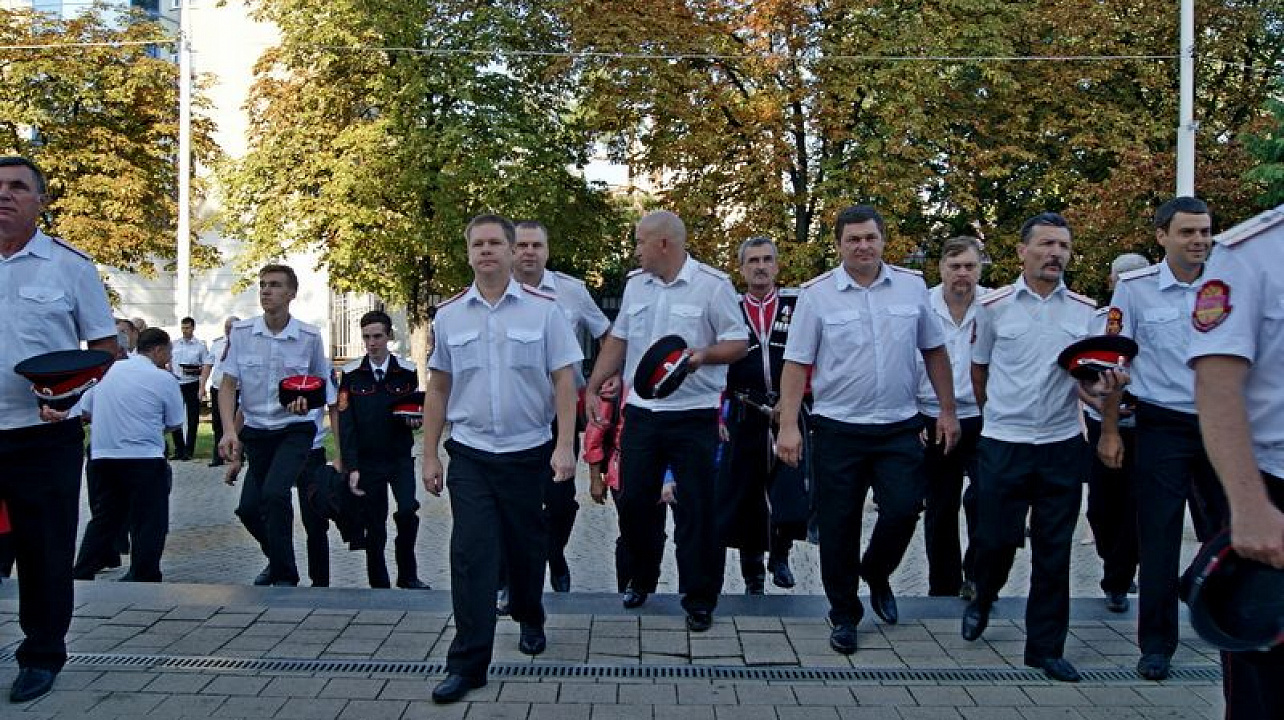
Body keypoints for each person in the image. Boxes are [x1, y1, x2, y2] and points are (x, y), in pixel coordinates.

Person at [776, 204, 959, 655]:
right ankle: (844, 614)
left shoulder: (911, 288)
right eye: (853, 239)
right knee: (838, 525)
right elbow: (796, 364)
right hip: (838, 429)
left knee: (904, 509)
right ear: (839, 245)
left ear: (883, 241)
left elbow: (934, 351)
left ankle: (876, 570)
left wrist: (947, 411)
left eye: (870, 238)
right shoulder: (817, 295)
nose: (862, 246)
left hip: (898, 426)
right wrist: (788, 425)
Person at [421, 214, 580, 704]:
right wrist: (429, 455)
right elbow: (439, 388)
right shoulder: (449, 316)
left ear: (512, 251)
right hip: (471, 453)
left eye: (495, 243)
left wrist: (565, 446)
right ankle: (468, 664)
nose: (486, 250)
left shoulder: (544, 311)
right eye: (478, 244)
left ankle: (530, 614)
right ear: (468, 253)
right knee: (472, 553)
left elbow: (564, 381)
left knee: (526, 548)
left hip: (528, 452)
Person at [961, 212, 1116, 683]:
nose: (1055, 254)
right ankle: (983, 594)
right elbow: (980, 371)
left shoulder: (1084, 312)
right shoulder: (993, 307)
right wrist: (997, 415)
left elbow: (1086, 379)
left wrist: (1102, 397)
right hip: (1003, 443)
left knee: (1054, 550)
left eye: (1063, 246)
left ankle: (1046, 648)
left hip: (1060, 445)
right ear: (1022, 251)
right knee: (994, 539)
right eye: (1046, 244)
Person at [584, 210, 748, 632]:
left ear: (663, 243)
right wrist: (594, 385)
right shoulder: (636, 286)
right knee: (634, 502)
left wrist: (703, 356)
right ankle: (641, 577)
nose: (635, 250)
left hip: (694, 415)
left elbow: (737, 342)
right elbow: (619, 339)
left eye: (640, 241)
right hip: (641, 414)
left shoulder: (712, 285)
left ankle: (699, 598)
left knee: (697, 510)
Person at [0, 156, 118, 703]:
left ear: (40, 201)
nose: (4, 195)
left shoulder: (70, 267)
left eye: (17, 187)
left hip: (43, 434)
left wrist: (72, 399)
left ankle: (42, 656)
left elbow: (104, 349)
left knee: (43, 550)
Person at [1099, 197, 1231, 681]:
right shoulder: (1135, 289)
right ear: (1162, 236)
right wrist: (1109, 430)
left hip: (1223, 422)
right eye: (1188, 232)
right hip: (1162, 424)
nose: (1199, 241)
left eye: (1205, 231)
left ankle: (1213, 607)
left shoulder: (1228, 286)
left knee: (1232, 529)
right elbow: (1116, 361)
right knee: (1158, 534)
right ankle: (1156, 644)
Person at [1188, 202, 1284, 719]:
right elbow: (1217, 387)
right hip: (1274, 498)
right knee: (1266, 688)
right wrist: (1250, 509)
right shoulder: (1250, 255)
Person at [217, 264, 335, 587]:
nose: (266, 291)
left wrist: (306, 401)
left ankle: (285, 578)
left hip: (294, 430)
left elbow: (320, 388)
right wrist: (230, 431)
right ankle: (278, 559)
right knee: (249, 508)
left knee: (274, 494)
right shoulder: (242, 333)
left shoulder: (308, 337)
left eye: (275, 285)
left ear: (291, 293)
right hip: (257, 430)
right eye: (263, 285)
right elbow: (228, 386)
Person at [512, 220, 611, 592]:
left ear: (547, 250)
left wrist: (603, 381)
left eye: (536, 245)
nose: (529, 252)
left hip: (562, 411)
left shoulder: (570, 291)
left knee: (560, 501)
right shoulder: (497, 290)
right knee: (514, 498)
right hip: (516, 411)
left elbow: (607, 334)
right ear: (511, 250)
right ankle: (511, 573)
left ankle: (553, 554)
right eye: (522, 245)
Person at [717, 236, 809, 594]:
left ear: (777, 265)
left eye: (767, 259)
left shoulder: (796, 306)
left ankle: (781, 555)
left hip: (789, 409)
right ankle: (752, 573)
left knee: (788, 489)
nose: (760, 267)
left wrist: (794, 400)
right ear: (741, 269)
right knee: (747, 495)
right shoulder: (731, 309)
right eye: (753, 260)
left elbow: (812, 354)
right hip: (746, 410)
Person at [70, 328, 183, 583]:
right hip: (144, 456)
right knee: (149, 518)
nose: (169, 357)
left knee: (105, 516)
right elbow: (175, 421)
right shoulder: (163, 378)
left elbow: (86, 408)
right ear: (157, 350)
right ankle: (144, 572)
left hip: (103, 455)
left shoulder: (107, 372)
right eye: (168, 352)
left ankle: (83, 569)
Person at [338, 310, 430, 590]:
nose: (372, 343)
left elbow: (414, 410)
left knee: (407, 512)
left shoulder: (407, 371)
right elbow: (346, 424)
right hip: (368, 462)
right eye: (366, 337)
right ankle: (379, 583)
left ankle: (408, 576)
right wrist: (352, 467)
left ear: (389, 336)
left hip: (399, 457)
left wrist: (415, 420)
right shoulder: (351, 374)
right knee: (375, 524)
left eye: (377, 336)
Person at [917, 236, 987, 600]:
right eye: (955, 266)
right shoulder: (922, 306)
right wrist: (914, 416)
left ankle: (976, 574)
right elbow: (906, 360)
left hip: (982, 414)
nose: (962, 273)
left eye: (970, 266)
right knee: (942, 505)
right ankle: (943, 586)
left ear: (980, 269)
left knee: (986, 497)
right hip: (933, 415)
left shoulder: (993, 306)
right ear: (941, 268)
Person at [1079, 253, 1148, 616]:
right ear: (1111, 282)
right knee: (1101, 507)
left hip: (1145, 423)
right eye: (1122, 279)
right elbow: (1076, 373)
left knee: (1135, 506)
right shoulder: (1094, 322)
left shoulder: (1155, 317)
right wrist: (1097, 400)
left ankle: (1118, 580)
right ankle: (1113, 560)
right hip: (1100, 419)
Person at [168, 317, 210, 461]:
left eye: (187, 328)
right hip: (177, 382)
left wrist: (202, 386)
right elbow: (169, 361)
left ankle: (189, 450)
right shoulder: (174, 344)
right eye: (183, 328)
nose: (185, 331)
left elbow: (205, 365)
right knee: (175, 416)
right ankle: (178, 448)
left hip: (192, 382)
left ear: (193, 328)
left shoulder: (200, 346)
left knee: (192, 417)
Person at [205, 316, 239, 467]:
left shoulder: (244, 345)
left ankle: (238, 454)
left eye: (231, 327)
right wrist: (202, 385)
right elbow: (208, 364)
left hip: (237, 389)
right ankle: (217, 456)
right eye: (226, 327)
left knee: (237, 423)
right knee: (217, 423)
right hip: (218, 388)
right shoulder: (217, 344)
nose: (228, 330)